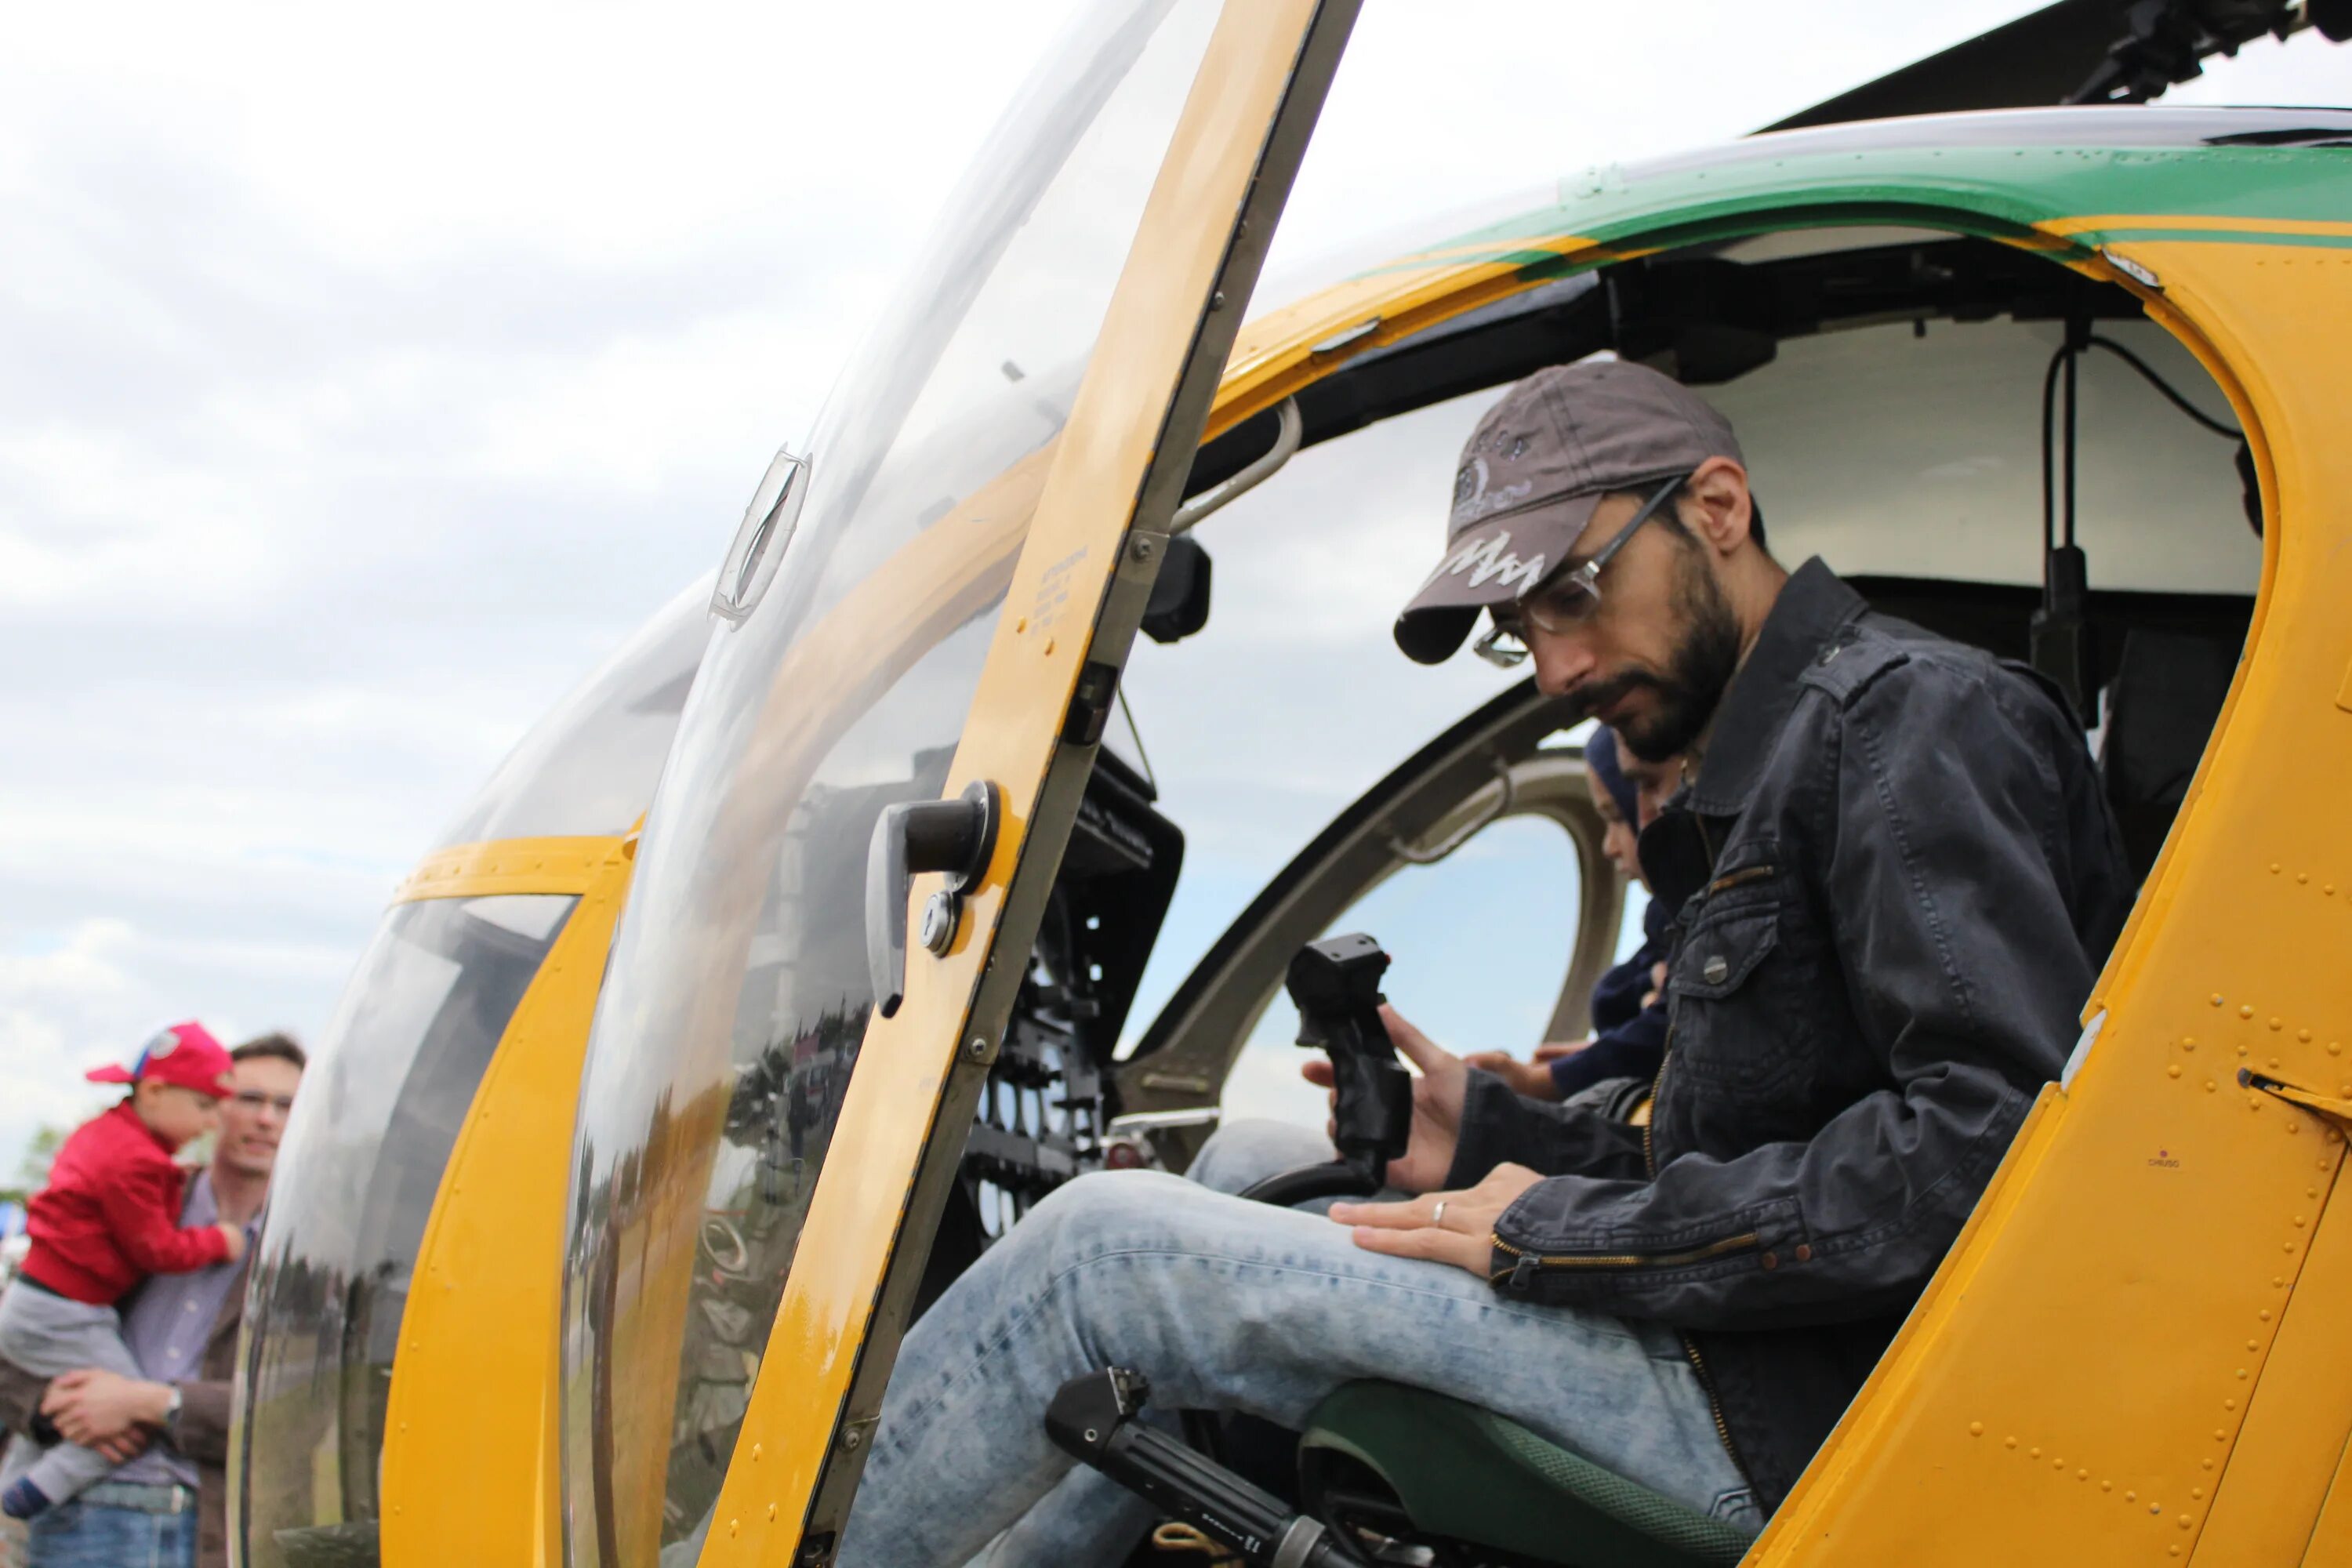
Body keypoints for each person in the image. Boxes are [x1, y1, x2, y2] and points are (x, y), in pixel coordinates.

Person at [833, 358, 2131, 1566]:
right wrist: (1497, 1140)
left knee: (1101, 1250)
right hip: (1741, 1344)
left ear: (1719, 508)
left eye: (1575, 592)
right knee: (1245, 1169)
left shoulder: (1907, 720)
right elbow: (1771, 1147)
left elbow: (1985, 1151)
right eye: (1526, 625)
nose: (1558, 667)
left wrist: (1564, 1232)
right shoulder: (1770, 767)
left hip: (1806, 1413)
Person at [0, 1034, 305, 1568]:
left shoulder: (311, 1250)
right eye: (248, 1098)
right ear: (207, 1104)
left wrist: (152, 1403)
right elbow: (22, 1333)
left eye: (287, 1106)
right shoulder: (131, 1195)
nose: (266, 1119)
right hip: (85, 1516)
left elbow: (299, 1407)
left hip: (214, 1526)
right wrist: (54, 1411)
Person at [1465, 725, 1675, 1108]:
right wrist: (1595, 1056)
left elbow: (1666, 1030)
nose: (1609, 847)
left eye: (1616, 817)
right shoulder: (1665, 934)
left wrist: (1541, 1082)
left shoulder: (1687, 927)